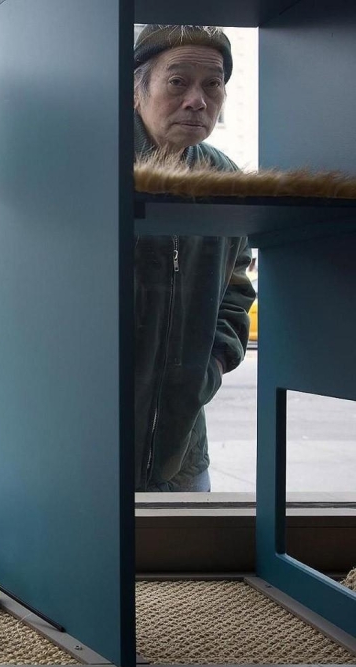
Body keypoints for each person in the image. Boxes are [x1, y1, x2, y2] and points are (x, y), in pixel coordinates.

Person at [132, 25, 257, 491]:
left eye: (213, 84)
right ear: (135, 91)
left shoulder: (223, 177)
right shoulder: (96, 166)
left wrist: (213, 366)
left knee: (183, 548)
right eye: (178, 81)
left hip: (183, 444)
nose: (197, 100)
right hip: (91, 432)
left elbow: (237, 288)